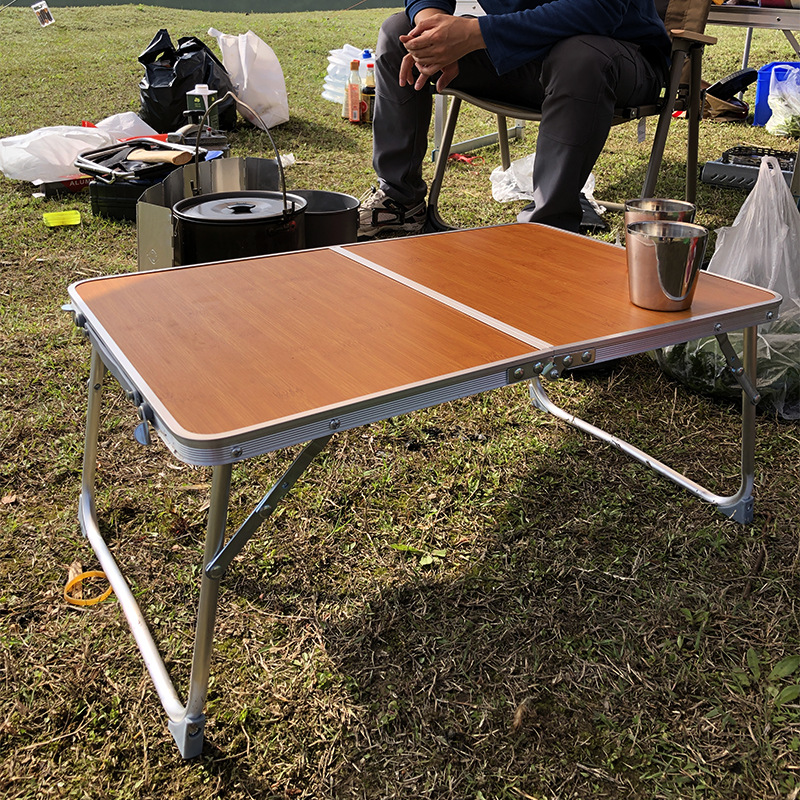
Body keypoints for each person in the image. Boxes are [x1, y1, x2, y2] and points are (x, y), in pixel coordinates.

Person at [358, 0, 672, 238]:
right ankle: (399, 202)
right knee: (400, 32)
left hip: (618, 55)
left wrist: (474, 33)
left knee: (579, 57)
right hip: (521, 54)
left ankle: (546, 230)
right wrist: (431, 29)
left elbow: (598, 10)